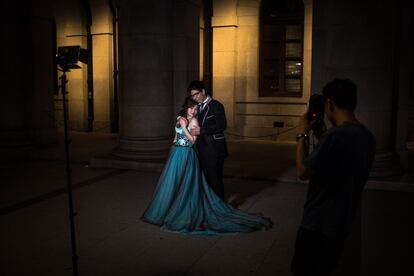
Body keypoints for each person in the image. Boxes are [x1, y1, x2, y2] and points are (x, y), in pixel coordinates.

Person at [141, 96, 271, 235]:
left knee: (187, 185)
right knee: (172, 183)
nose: (193, 111)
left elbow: (192, 142)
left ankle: (183, 212)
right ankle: (167, 211)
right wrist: (174, 146)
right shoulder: (180, 117)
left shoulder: (194, 121)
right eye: (191, 108)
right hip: (176, 154)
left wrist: (185, 128)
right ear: (186, 107)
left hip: (187, 154)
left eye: (196, 109)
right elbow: (175, 137)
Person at [291, 79, 376, 276]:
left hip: (317, 225)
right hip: (341, 223)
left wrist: (301, 135)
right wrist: (322, 136)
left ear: (330, 103)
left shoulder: (335, 136)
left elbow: (303, 171)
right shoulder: (367, 136)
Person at [188, 80, 228, 199]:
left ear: (203, 92)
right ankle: (210, 205)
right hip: (202, 149)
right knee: (206, 179)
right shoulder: (196, 108)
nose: (194, 98)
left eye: (196, 94)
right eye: (192, 95)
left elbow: (222, 125)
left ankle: (220, 207)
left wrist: (202, 130)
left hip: (215, 149)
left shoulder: (216, 105)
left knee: (215, 179)